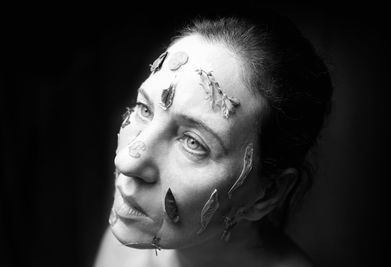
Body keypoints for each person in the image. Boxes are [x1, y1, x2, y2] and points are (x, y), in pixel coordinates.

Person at [94, 11, 333, 267]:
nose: (126, 162)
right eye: (144, 109)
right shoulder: (129, 237)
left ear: (267, 193)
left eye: (194, 142)